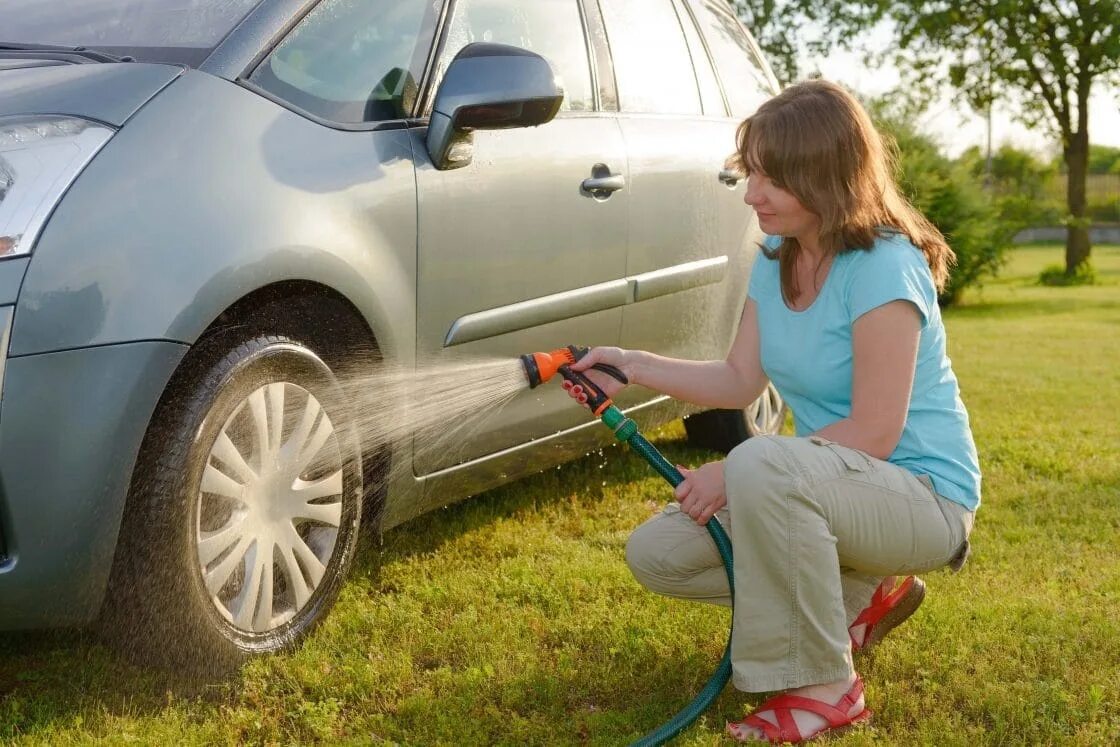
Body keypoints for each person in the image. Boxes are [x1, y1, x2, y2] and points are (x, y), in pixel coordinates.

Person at [564, 79, 980, 744]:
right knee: (659, 553)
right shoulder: (777, 257)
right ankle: (859, 599)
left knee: (757, 460)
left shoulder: (883, 266)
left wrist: (734, 474)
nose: (752, 191)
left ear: (826, 176)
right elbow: (738, 379)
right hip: (825, 488)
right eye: (751, 170)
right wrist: (631, 364)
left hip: (924, 499)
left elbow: (876, 430)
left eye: (772, 176)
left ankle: (829, 689)